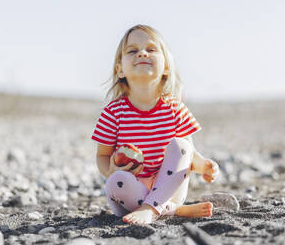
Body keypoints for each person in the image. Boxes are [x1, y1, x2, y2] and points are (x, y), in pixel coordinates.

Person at [91, 24, 219, 224]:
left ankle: (151, 209)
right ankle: (173, 210)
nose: (142, 53)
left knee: (182, 145)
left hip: (169, 189)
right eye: (132, 50)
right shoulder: (113, 113)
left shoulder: (175, 109)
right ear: (120, 70)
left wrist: (205, 167)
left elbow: (189, 155)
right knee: (116, 181)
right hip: (130, 193)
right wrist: (111, 170)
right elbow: (102, 156)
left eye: (151, 49)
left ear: (166, 67)